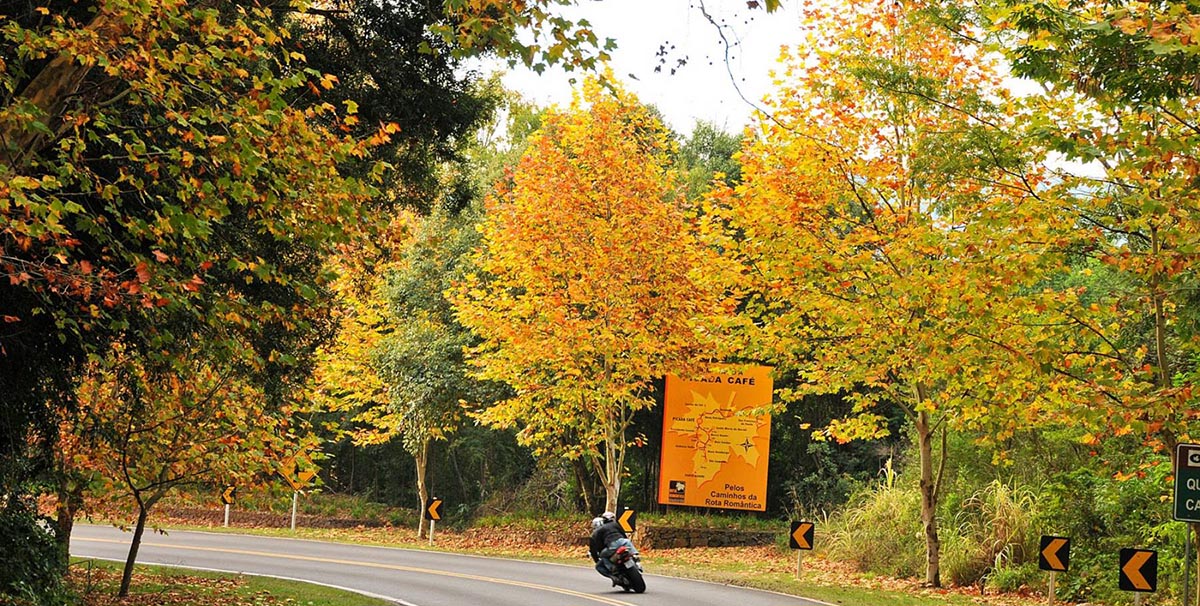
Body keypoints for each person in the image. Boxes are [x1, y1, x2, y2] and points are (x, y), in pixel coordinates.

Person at [588, 511, 633, 583]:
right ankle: (637, 561)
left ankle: (612, 571)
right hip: (624, 542)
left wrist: (597, 560)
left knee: (600, 561)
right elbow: (623, 534)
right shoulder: (614, 525)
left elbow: (596, 548)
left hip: (611, 547)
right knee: (633, 552)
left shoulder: (595, 533)